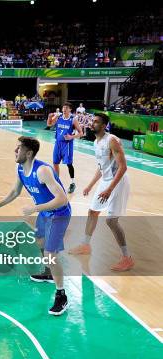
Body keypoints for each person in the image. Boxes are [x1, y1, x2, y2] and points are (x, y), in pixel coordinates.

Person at [0, 136, 71, 316]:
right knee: (39, 243)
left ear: (29, 153)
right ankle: (48, 274)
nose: (15, 151)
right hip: (44, 212)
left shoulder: (42, 171)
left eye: (18, 148)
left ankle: (61, 295)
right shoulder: (20, 168)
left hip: (59, 213)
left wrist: (34, 208)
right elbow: (15, 192)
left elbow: (63, 199)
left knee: (50, 254)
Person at [69, 113, 133, 271]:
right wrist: (90, 185)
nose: (92, 124)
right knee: (92, 212)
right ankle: (85, 245)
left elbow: (123, 167)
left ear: (104, 126)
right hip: (106, 180)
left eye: (96, 122)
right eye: (92, 121)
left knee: (111, 221)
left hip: (118, 182)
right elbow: (101, 167)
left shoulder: (112, 140)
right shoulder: (96, 142)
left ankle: (127, 257)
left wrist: (109, 189)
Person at [47, 102, 83, 193]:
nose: (64, 109)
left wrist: (72, 137)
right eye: (63, 107)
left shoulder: (73, 119)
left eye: (66, 107)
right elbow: (49, 124)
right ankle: (57, 182)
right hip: (58, 143)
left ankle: (72, 183)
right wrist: (49, 117)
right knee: (55, 163)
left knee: (69, 164)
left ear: (70, 109)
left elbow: (81, 133)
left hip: (67, 145)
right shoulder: (58, 117)